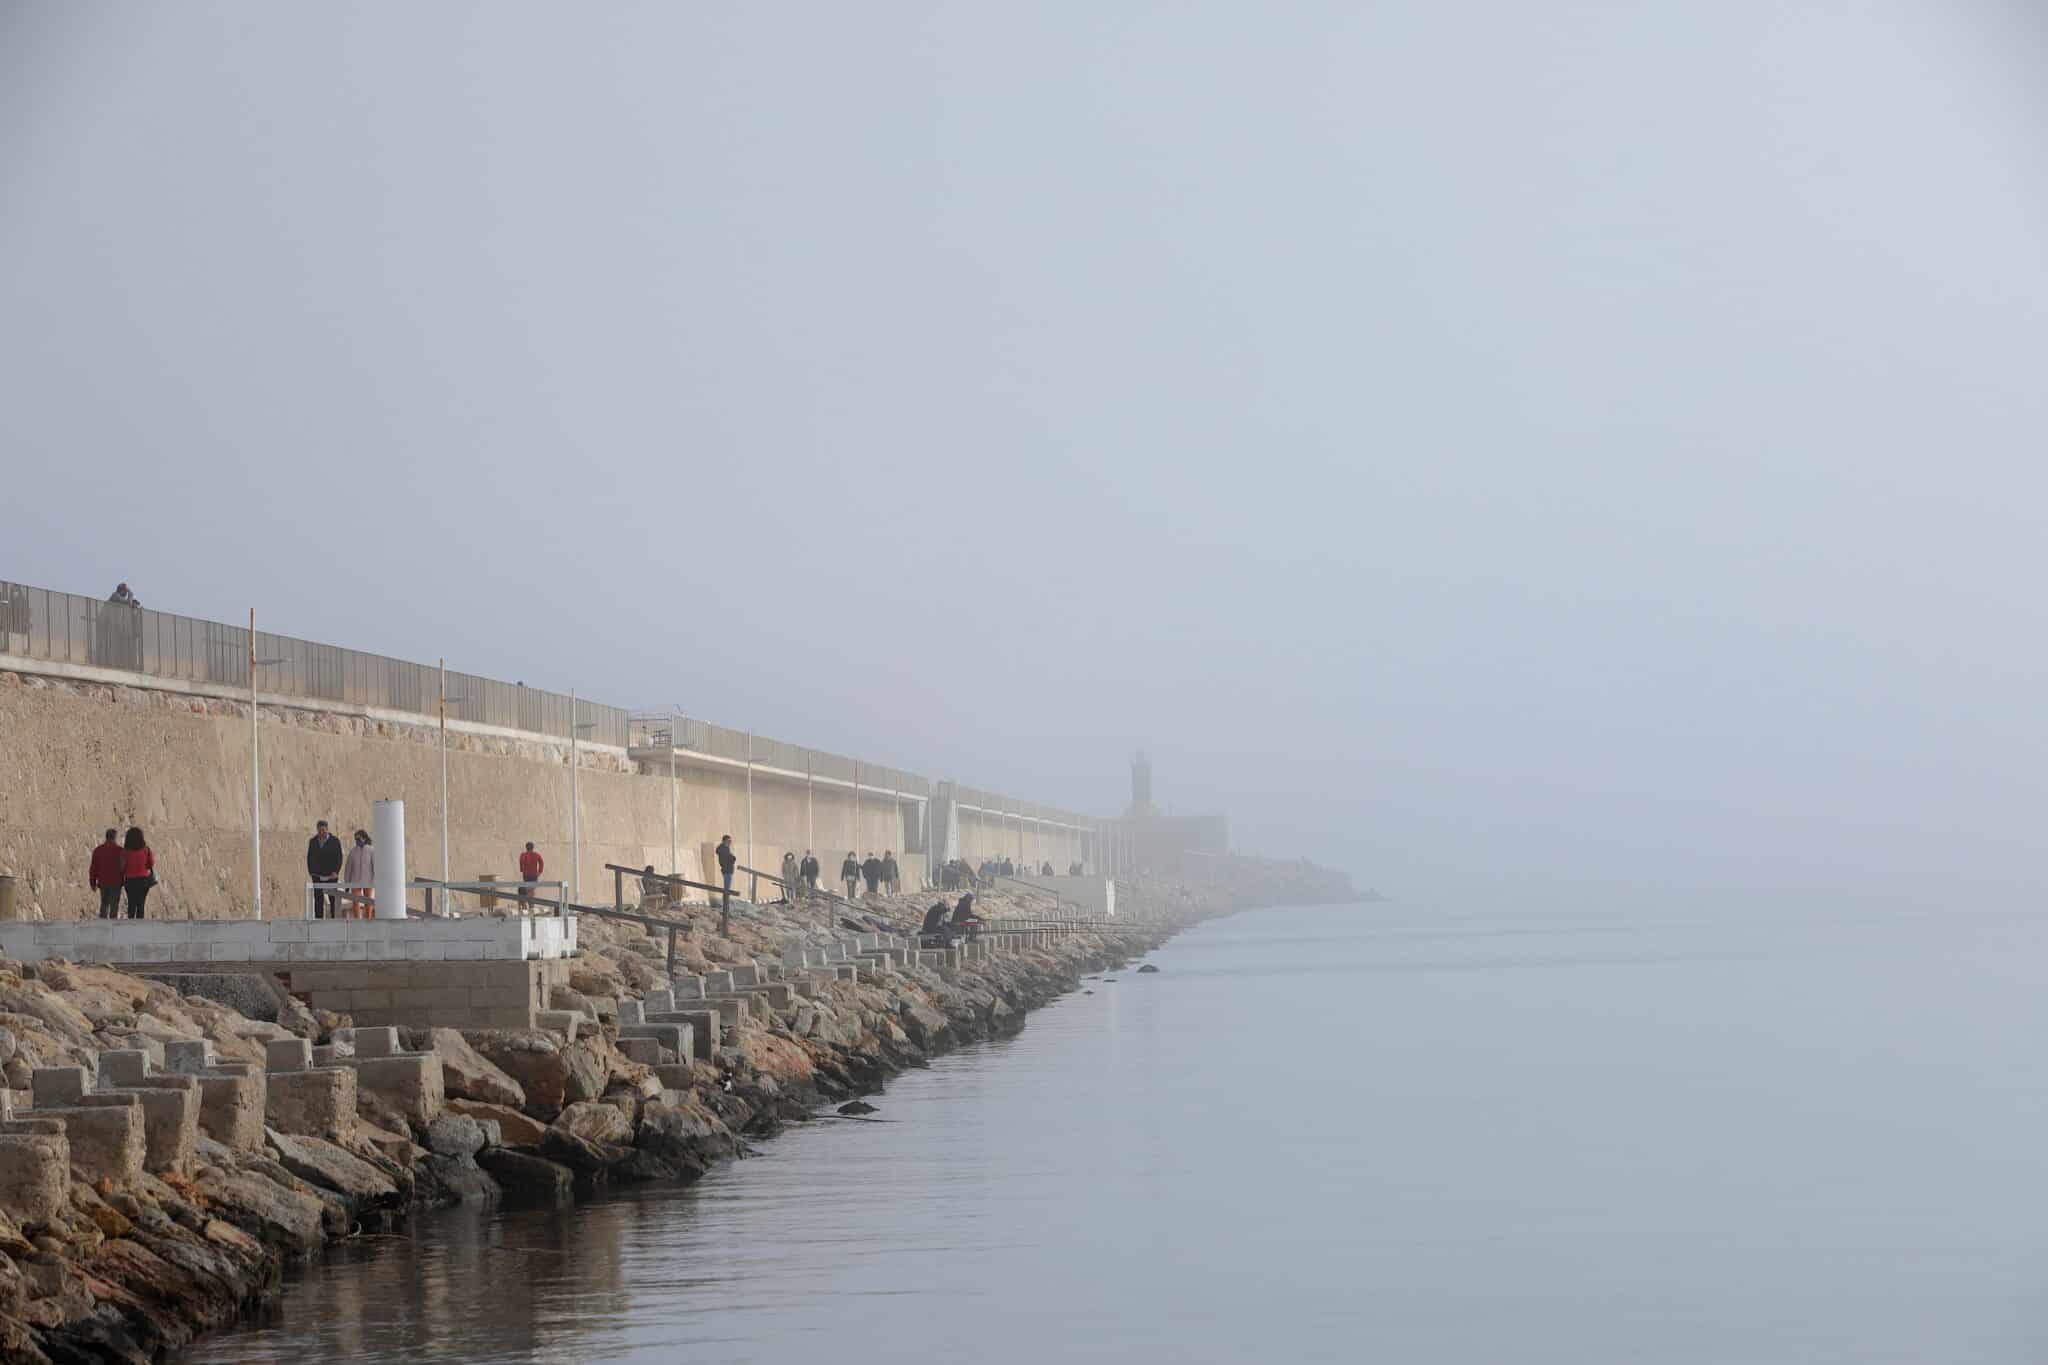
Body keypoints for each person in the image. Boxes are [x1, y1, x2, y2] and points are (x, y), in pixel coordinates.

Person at [307, 820, 344, 919]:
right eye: (319, 831)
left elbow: (339, 857)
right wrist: (311, 872)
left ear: (327, 829)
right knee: (318, 899)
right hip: (317, 875)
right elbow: (309, 857)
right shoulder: (313, 841)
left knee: (333, 899)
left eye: (323, 830)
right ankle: (318, 920)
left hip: (331, 875)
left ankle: (334, 919)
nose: (321, 833)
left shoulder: (335, 841)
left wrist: (336, 871)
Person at [89, 829, 125, 919]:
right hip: (116, 882)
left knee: (104, 904)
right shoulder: (120, 851)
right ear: (115, 837)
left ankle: (102, 925)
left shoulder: (98, 850)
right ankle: (113, 926)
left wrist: (92, 882)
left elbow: (93, 868)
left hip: (103, 881)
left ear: (106, 837)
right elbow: (124, 867)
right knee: (114, 906)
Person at [121, 827, 155, 918]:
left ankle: (130, 925)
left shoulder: (125, 852)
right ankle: (140, 927)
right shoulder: (146, 850)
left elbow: (122, 867)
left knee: (131, 904)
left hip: (130, 881)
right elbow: (151, 863)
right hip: (143, 880)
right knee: (141, 905)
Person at [342, 829, 375, 919]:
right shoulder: (353, 851)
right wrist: (347, 882)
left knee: (368, 901)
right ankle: (357, 920)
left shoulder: (371, 850)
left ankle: (368, 920)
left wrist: (376, 880)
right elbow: (348, 867)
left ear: (364, 838)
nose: (357, 841)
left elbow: (375, 866)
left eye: (358, 839)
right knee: (355, 901)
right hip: (355, 880)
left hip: (368, 880)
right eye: (355, 839)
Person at [716, 835, 737, 906]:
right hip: (727, 870)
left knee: (727, 887)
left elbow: (730, 858)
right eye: (729, 841)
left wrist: (732, 858)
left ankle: (726, 902)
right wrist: (733, 858)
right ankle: (725, 903)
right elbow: (728, 859)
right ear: (724, 841)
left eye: (730, 841)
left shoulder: (725, 849)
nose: (730, 842)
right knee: (727, 888)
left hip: (728, 869)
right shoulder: (723, 849)